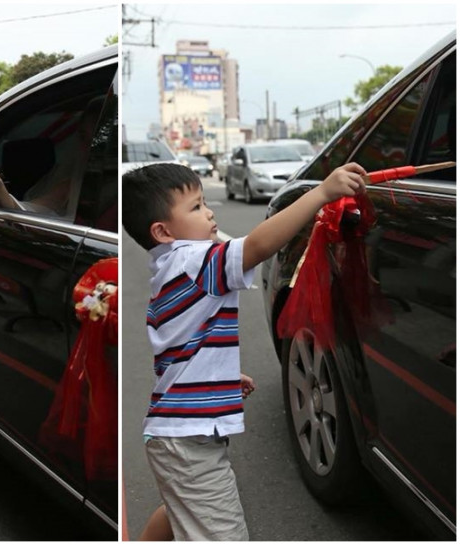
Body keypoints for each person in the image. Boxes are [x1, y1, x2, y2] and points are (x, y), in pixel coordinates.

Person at [122, 161, 367, 541]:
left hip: (176, 435)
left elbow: (180, 347)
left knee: (179, 510)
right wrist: (321, 194)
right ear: (163, 231)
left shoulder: (169, 268)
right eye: (196, 207)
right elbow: (257, 246)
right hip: (190, 440)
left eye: (205, 202)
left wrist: (219, 377)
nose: (209, 212)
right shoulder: (193, 261)